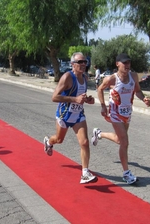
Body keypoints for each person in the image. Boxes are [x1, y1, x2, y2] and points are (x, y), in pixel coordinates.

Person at [91, 53, 150, 185]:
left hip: (127, 113)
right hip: (115, 112)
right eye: (125, 63)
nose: (127, 65)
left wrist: (144, 98)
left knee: (119, 140)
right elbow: (99, 89)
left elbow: (138, 91)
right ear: (117, 64)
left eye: (129, 63)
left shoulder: (133, 76)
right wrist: (102, 106)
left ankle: (99, 134)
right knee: (124, 142)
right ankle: (126, 173)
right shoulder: (111, 79)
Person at [43, 52, 97, 184]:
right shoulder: (67, 77)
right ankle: (49, 142)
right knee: (59, 139)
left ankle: (85, 173)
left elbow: (80, 96)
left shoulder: (84, 77)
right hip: (65, 114)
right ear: (73, 64)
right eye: (80, 62)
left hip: (78, 115)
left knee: (84, 142)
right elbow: (54, 97)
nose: (84, 64)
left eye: (85, 62)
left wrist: (88, 99)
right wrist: (75, 99)